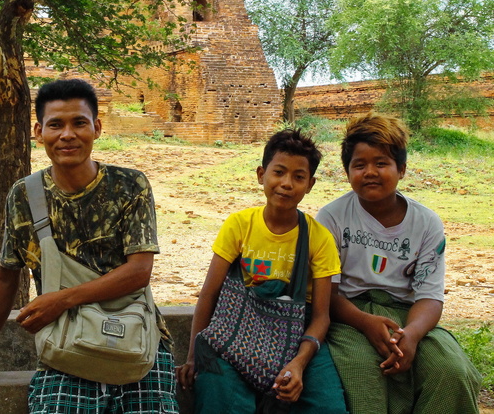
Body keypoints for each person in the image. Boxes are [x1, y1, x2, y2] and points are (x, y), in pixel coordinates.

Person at [0, 78, 179, 413]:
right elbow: (7, 275)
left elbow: (138, 272)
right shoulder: (25, 195)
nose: (67, 134)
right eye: (56, 125)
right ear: (39, 132)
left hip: (136, 339)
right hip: (65, 342)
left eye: (79, 123)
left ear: (96, 128)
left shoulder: (129, 185)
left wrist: (61, 300)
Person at [317, 113, 481, 414]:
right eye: (359, 164)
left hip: (408, 316)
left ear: (401, 169)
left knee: (451, 371)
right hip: (349, 314)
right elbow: (327, 292)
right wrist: (365, 322)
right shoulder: (332, 218)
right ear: (346, 171)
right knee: (361, 376)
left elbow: (430, 296)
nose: (370, 172)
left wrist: (413, 335)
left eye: (381, 163)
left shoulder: (426, 223)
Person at [177, 128, 347, 414]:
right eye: (278, 172)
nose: (286, 184)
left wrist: (300, 363)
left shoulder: (319, 238)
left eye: (298, 177)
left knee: (327, 405)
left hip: (297, 336)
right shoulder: (240, 225)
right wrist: (194, 355)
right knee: (219, 397)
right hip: (235, 330)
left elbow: (320, 317)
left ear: (311, 184)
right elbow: (209, 293)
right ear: (261, 175)